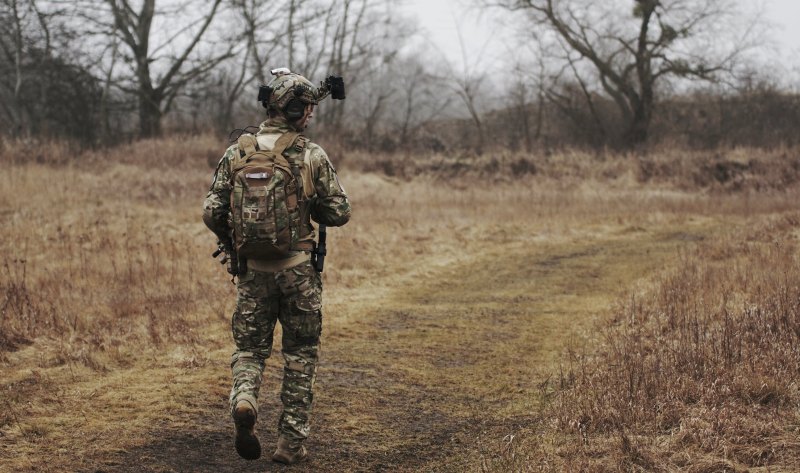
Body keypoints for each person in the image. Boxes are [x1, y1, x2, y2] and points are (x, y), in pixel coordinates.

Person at [202, 68, 351, 465]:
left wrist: (232, 244)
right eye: (309, 110)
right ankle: (290, 445)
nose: (311, 117)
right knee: (300, 355)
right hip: (299, 271)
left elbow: (212, 209)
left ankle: (246, 398)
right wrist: (310, 205)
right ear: (299, 111)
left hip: (252, 272)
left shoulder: (239, 151)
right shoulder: (310, 154)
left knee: (250, 349)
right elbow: (339, 212)